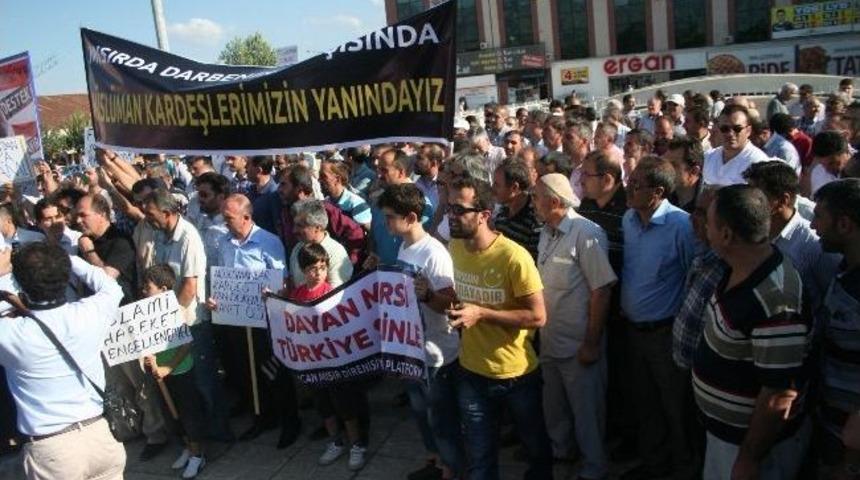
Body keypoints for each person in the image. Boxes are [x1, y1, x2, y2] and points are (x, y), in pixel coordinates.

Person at [693, 185, 811, 480]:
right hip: (726, 437)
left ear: (727, 234)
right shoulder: (736, 267)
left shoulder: (777, 298)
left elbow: (778, 394)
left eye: (708, 222)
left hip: (750, 449)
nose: (704, 228)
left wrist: (749, 458)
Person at [445, 177, 553, 479]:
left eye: (459, 209)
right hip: (471, 372)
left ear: (484, 214)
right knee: (479, 459)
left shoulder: (514, 257)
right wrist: (430, 295)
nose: (451, 215)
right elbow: (458, 301)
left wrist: (482, 313)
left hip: (516, 375)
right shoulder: (454, 247)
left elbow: (538, 317)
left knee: (536, 451)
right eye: (449, 207)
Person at [0, 242, 125, 480]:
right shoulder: (91, 312)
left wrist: (2, 275)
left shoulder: (11, 334)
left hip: (53, 452)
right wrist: (67, 259)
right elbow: (111, 287)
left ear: (19, 283)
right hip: (100, 436)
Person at [534, 173, 616, 479]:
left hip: (579, 344)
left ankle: (594, 468)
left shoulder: (586, 233)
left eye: (536, 197)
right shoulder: (545, 231)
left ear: (554, 201)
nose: (533, 203)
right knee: (554, 409)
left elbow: (602, 290)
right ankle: (561, 454)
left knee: (587, 415)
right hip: (550, 340)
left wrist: (592, 342)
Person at [378, 183, 463, 480]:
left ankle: (451, 469)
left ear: (411, 217)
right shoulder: (405, 245)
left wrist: (428, 296)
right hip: (412, 349)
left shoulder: (434, 253)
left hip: (436, 352)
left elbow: (450, 304)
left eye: (390, 216)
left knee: (440, 418)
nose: (385, 222)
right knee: (421, 413)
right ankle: (436, 462)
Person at [621, 156, 697, 480]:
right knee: (645, 403)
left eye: (637, 184)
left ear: (659, 191)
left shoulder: (681, 226)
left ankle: (683, 468)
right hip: (633, 331)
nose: (629, 187)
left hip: (665, 335)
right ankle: (653, 464)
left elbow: (692, 277)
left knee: (675, 407)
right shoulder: (628, 219)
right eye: (631, 180)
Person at [209, 194, 300, 447]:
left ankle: (290, 420)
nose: (224, 223)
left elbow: (283, 280)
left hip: (266, 319)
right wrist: (217, 299)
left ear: (246, 217)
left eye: (229, 218)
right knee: (247, 369)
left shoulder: (267, 242)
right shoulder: (224, 242)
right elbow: (223, 277)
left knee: (274, 368)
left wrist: (273, 291)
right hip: (237, 319)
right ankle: (262, 416)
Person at [292, 243, 370, 471]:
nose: (318, 273)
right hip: (311, 362)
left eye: (323, 267)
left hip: (334, 363)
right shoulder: (297, 294)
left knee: (344, 404)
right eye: (312, 269)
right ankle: (335, 440)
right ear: (303, 270)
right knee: (323, 404)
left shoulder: (332, 294)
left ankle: (356, 444)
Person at [811, 179, 860, 477]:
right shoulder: (843, 270)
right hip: (830, 429)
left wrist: (852, 462)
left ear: (843, 224)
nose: (814, 226)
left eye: (819, 217)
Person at [141, 264, 207, 479]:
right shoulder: (145, 315)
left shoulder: (176, 311)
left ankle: (197, 455)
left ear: (162, 288)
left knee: (188, 415)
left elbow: (186, 344)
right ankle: (187, 448)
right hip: (160, 375)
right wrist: (149, 362)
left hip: (181, 372)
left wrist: (168, 367)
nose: (143, 290)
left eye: (147, 287)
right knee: (172, 414)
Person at [288, 199, 353, 289]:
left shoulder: (336, 252)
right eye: (295, 225)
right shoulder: (297, 249)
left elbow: (336, 294)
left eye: (300, 226)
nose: (294, 230)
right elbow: (293, 285)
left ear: (317, 227)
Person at [703, 105, 769, 186]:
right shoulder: (708, 157)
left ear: (748, 131)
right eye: (725, 129)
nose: (730, 134)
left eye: (737, 129)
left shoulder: (758, 162)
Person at [492, 159, 541, 260]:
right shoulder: (503, 211)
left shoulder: (535, 220)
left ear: (514, 188)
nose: (492, 188)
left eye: (497, 185)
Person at [319, 159, 372, 230]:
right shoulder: (326, 202)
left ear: (337, 179)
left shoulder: (357, 205)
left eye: (323, 176)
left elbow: (371, 234)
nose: (319, 180)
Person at [666, 136, 705, 213]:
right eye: (666, 163)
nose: (667, 169)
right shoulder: (661, 197)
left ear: (694, 171)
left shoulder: (710, 202)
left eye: (674, 165)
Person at [810, 131, 852, 196]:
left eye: (832, 163)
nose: (827, 169)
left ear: (847, 151)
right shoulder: (817, 173)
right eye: (823, 164)